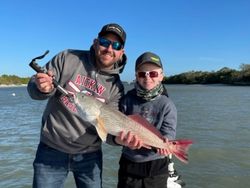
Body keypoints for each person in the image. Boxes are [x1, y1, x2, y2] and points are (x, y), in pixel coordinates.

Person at [27, 23, 140, 188]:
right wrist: (41, 87)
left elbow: (107, 132)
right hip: (51, 148)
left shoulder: (117, 89)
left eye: (116, 45)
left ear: (121, 52)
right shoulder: (68, 58)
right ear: (95, 42)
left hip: (89, 155)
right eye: (104, 42)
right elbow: (33, 88)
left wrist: (121, 140)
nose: (109, 48)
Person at [117, 52, 177, 188]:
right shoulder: (127, 100)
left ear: (161, 76)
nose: (147, 78)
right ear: (136, 76)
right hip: (129, 164)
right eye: (142, 74)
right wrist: (122, 140)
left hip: (157, 167)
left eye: (153, 74)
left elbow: (169, 131)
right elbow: (117, 126)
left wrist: (166, 142)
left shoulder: (167, 104)